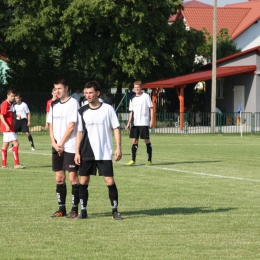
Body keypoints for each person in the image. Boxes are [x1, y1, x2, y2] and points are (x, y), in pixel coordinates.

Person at [75, 81, 123, 220]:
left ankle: (114, 211)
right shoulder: (82, 111)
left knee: (109, 181)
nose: (87, 95)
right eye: (86, 93)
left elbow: (116, 128)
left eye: (90, 93)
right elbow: (80, 132)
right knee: (83, 181)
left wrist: (118, 148)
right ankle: (83, 211)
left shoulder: (108, 109)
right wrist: (77, 151)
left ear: (97, 93)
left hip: (104, 152)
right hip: (86, 152)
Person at [47, 78, 80, 218]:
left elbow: (72, 126)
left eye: (60, 88)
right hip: (57, 146)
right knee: (59, 178)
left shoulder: (73, 103)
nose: (57, 91)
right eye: (55, 89)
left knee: (73, 178)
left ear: (67, 88)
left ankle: (74, 209)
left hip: (70, 146)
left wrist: (60, 143)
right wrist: (54, 144)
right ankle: (62, 209)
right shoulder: (54, 105)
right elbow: (51, 125)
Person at [126, 81, 154, 166]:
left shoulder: (146, 96)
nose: (137, 89)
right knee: (134, 141)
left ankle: (149, 160)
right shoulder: (132, 98)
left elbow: (151, 108)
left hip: (144, 122)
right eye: (135, 87)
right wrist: (128, 123)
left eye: (138, 87)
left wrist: (152, 120)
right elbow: (131, 112)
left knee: (146, 141)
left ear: (141, 88)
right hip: (135, 123)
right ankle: (133, 160)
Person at [0, 89, 26, 169]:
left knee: (5, 145)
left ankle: (4, 165)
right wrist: (6, 125)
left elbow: (8, 116)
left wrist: (15, 116)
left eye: (14, 96)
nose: (13, 98)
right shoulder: (5, 104)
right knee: (16, 143)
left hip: (9, 128)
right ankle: (16, 164)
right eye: (11, 96)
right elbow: (1, 115)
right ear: (8, 95)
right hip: (8, 128)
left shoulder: (10, 104)